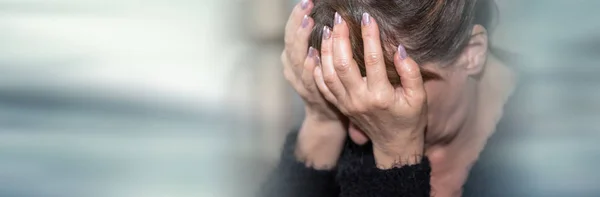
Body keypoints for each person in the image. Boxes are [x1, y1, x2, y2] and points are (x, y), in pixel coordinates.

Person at [260, 0, 518, 196]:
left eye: (391, 99)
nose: (358, 136)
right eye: (342, 98)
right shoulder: (342, 128)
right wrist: (323, 123)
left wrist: (396, 157)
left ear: (471, 53)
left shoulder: (541, 149)